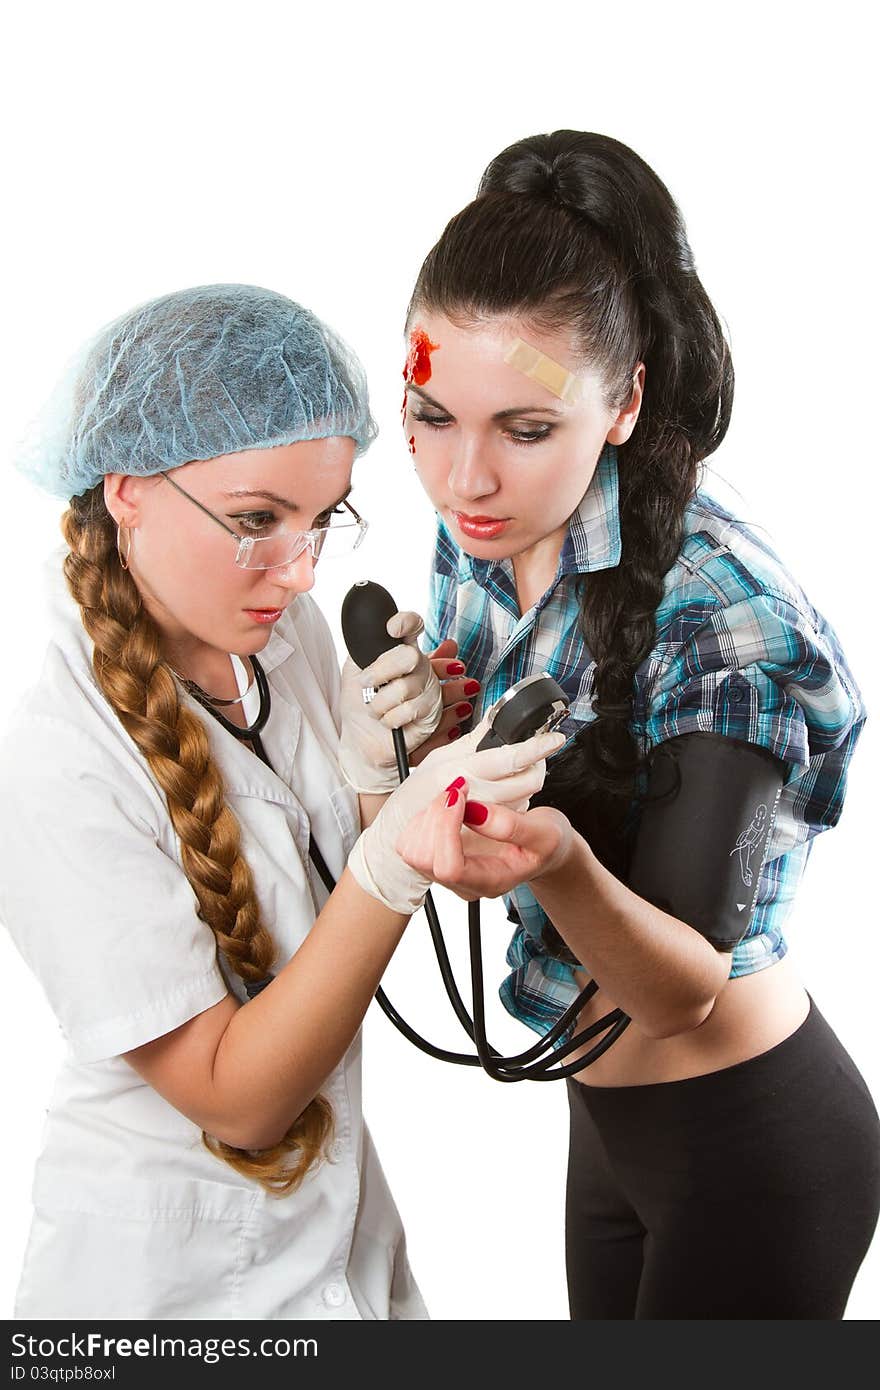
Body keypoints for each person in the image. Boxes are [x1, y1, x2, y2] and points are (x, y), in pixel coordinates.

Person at [0, 283, 561, 1320]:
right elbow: (241, 1098)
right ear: (128, 488)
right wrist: (392, 852)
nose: (299, 573)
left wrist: (388, 764)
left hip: (337, 1246)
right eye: (258, 522)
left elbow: (311, 891)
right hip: (162, 1292)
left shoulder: (271, 632)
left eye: (322, 519)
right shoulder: (56, 761)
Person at [396, 132, 880, 1319]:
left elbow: (680, 991)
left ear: (623, 404)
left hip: (749, 1149)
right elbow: (461, 818)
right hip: (602, 1119)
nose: (464, 479)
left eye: (524, 428)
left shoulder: (727, 618)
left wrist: (550, 852)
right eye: (427, 413)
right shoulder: (481, 532)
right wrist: (416, 743)